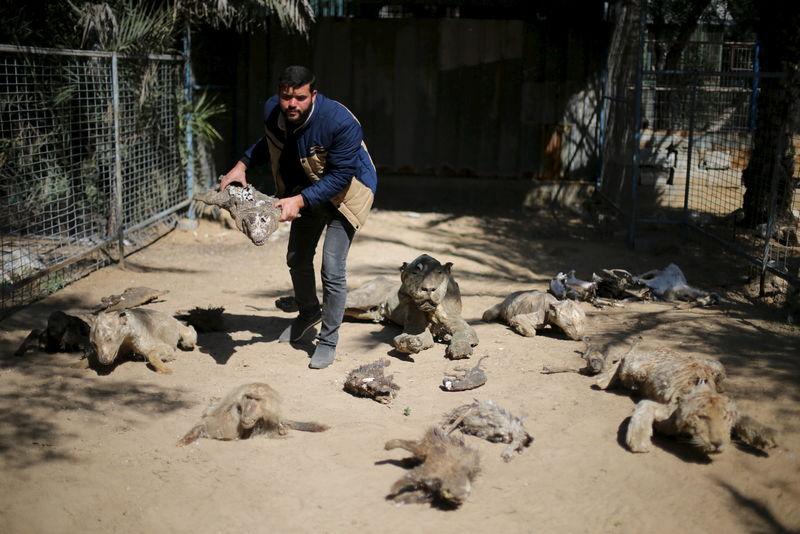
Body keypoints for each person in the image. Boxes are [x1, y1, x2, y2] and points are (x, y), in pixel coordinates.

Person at [220, 66, 377, 369]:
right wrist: (242, 163)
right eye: (286, 97)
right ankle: (308, 312)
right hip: (307, 190)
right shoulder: (273, 111)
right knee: (297, 257)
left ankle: (328, 340)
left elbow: (341, 176)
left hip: (347, 195)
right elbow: (270, 143)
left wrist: (299, 200)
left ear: (313, 95)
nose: (292, 104)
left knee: (332, 268)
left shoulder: (339, 121)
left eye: (300, 98)